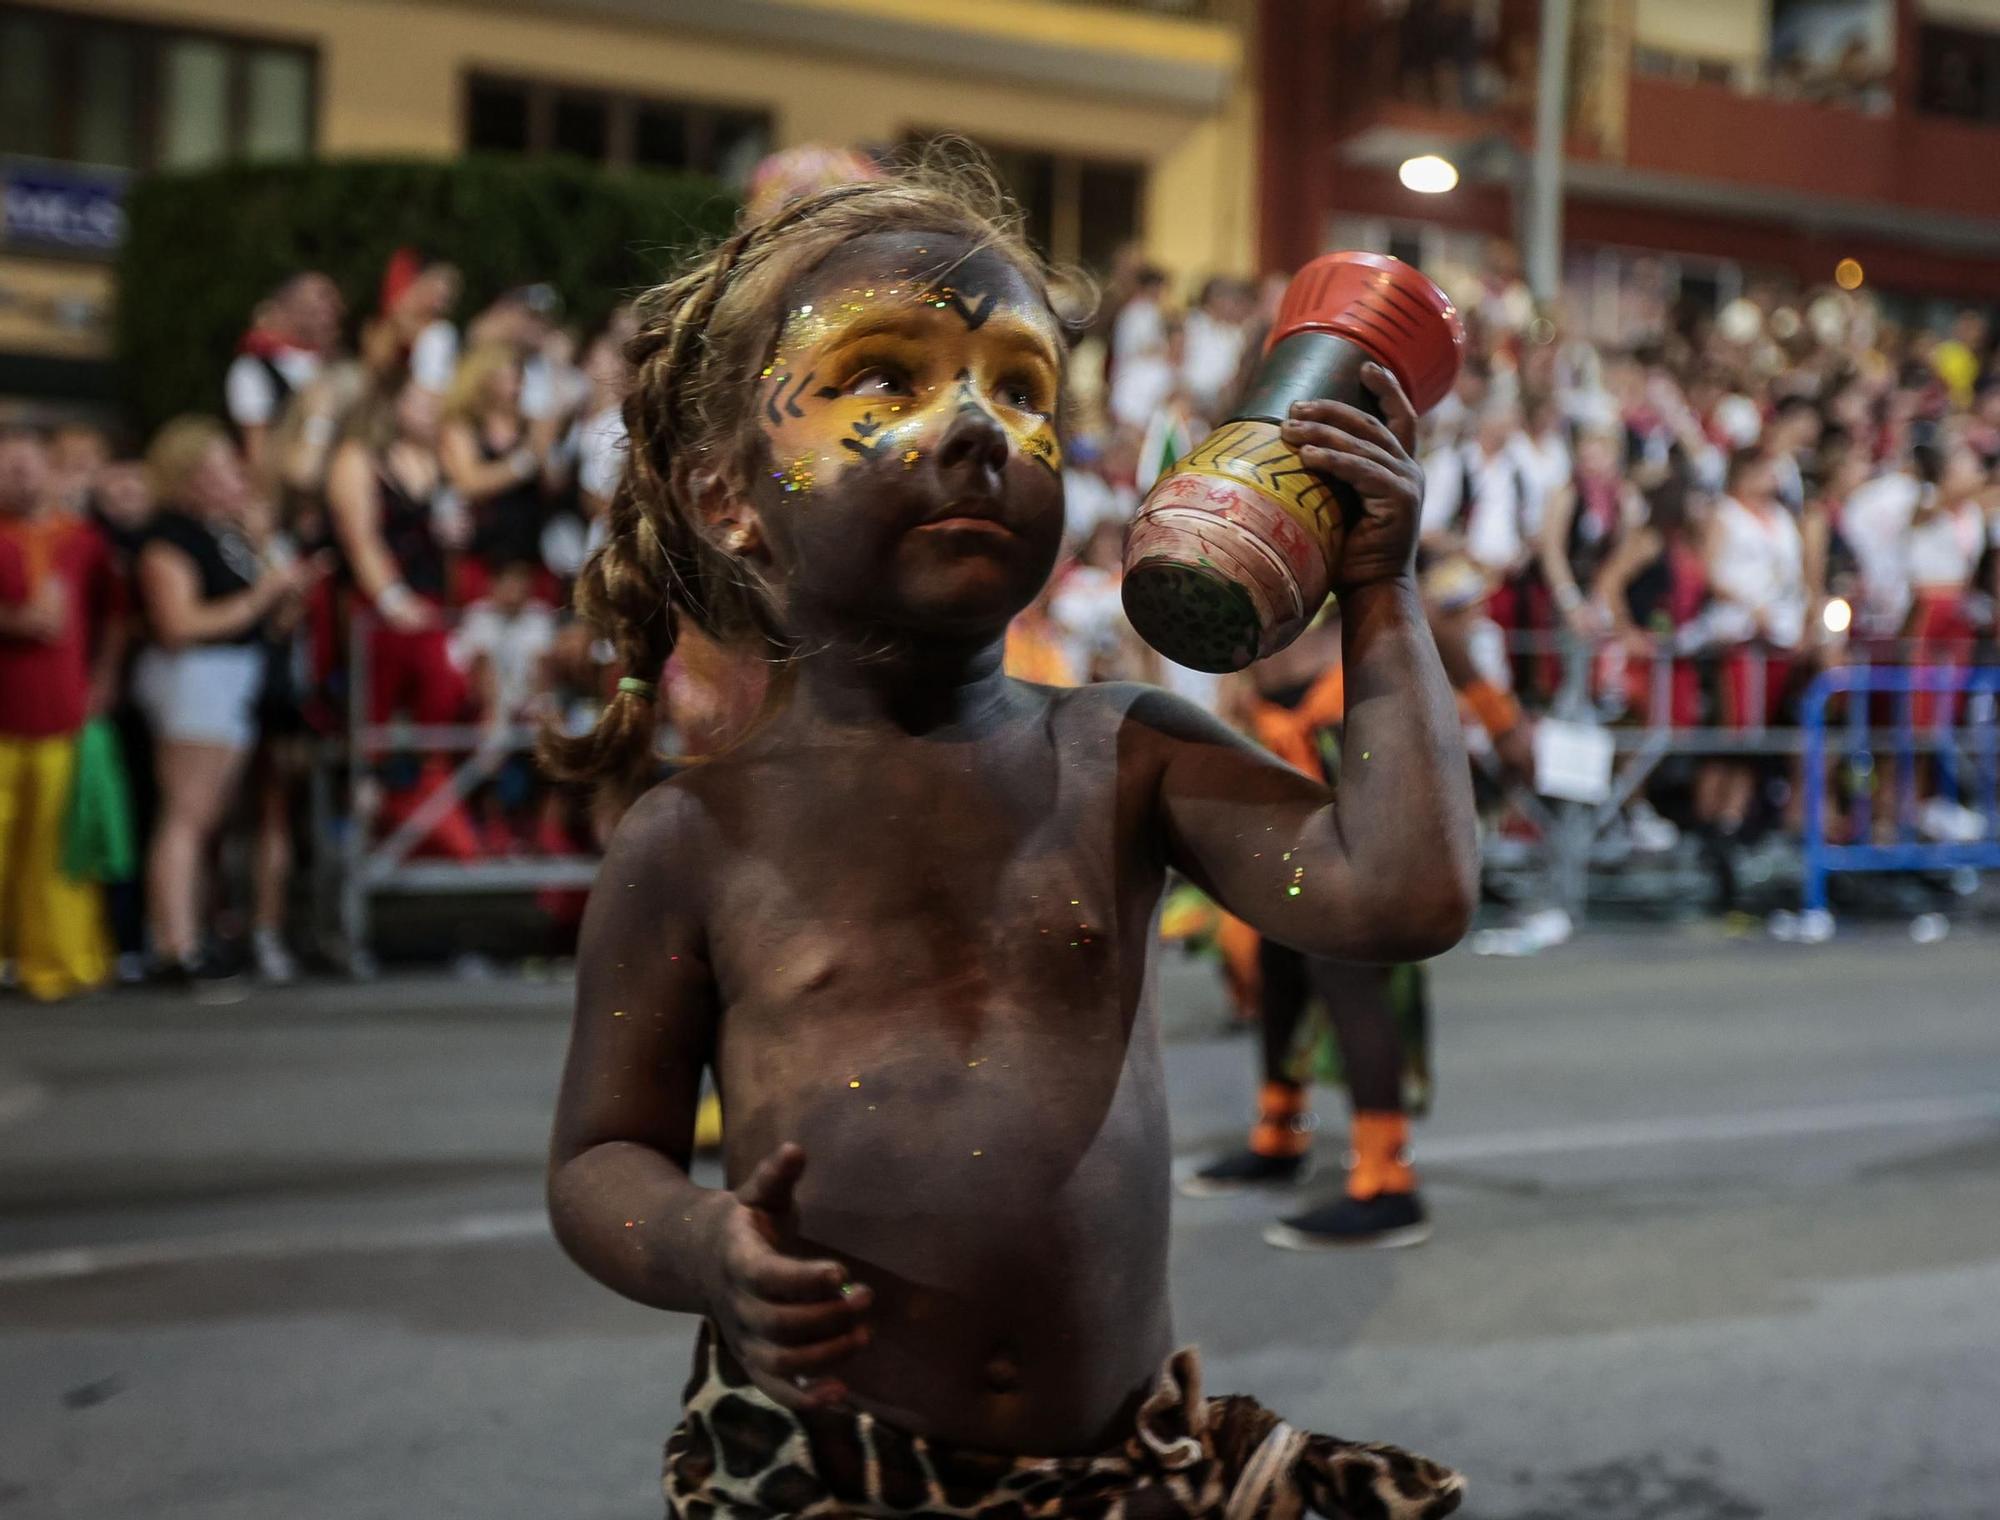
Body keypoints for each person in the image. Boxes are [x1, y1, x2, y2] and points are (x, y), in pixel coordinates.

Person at [541, 167, 1474, 1516]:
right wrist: (701, 1243)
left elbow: (1402, 896)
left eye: (1024, 389)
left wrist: (1382, 595)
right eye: (882, 380)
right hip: (827, 1480)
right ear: (725, 496)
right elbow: (594, 1164)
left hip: (1117, 1477)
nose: (979, 428)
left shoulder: (1126, 753)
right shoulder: (691, 839)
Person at [1178, 615, 1436, 1251]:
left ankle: (1387, 1181)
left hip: (1360, 842)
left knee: (1345, 979)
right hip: (1291, 844)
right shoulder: (1259, 622)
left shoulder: (1366, 612)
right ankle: (1280, 1136)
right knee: (1280, 969)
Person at [133, 418, 321, 987]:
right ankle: (174, 944)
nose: (233, 479)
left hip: (235, 677)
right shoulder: (169, 538)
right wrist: (264, 595)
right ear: (187, 477)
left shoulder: (227, 533)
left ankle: (191, 935)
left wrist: (277, 574)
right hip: (197, 676)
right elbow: (179, 623)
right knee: (186, 816)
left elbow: (272, 617)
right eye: (217, 469)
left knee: (206, 818)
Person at [326, 376, 483, 862]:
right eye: (420, 400)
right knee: (378, 704)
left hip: (430, 603)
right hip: (383, 608)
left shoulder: (436, 460)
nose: (432, 410)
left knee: (444, 692)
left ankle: (417, 795)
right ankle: (376, 796)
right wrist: (393, 599)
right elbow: (361, 538)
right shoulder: (357, 458)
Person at [0, 427, 123, 1001]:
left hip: (61, 718)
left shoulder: (83, 541)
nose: (19, 475)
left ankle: (57, 963)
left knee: (58, 851)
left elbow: (117, 618)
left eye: (28, 464)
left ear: (50, 470)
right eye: (7, 466)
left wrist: (102, 682)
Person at [439, 343, 558, 604]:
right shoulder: (463, 428)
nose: (515, 386)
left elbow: (552, 485)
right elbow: (469, 483)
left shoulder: (532, 425)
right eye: (506, 378)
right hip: (483, 560)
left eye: (518, 377)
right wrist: (525, 462)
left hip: (529, 557)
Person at [226, 273, 344, 482]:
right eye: (320, 299)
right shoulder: (253, 369)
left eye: (333, 303)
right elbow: (258, 453)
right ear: (287, 307)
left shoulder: (338, 364)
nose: (331, 308)